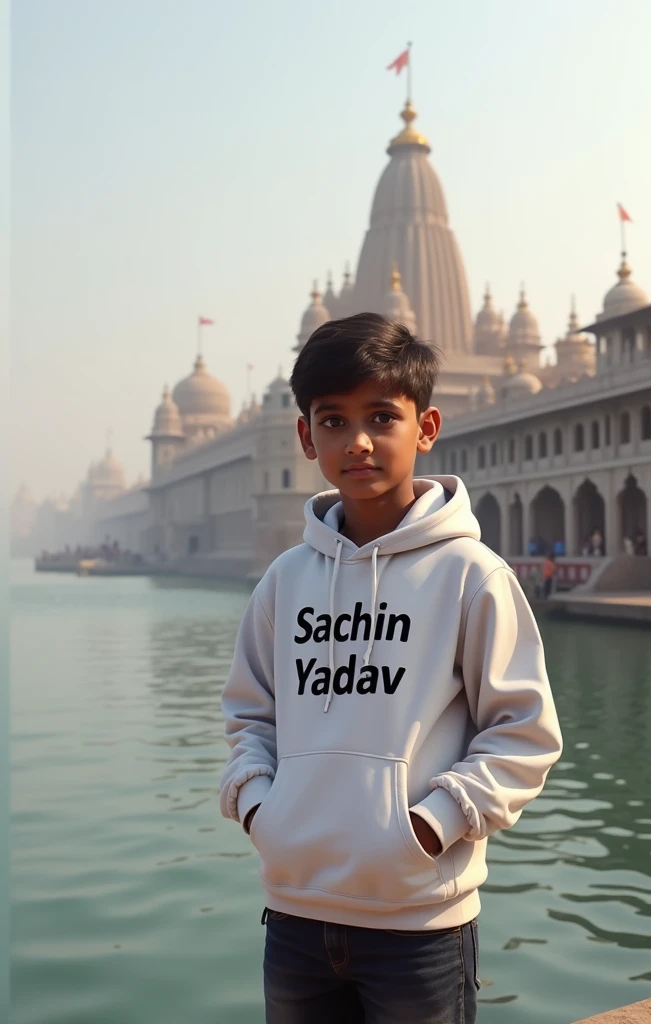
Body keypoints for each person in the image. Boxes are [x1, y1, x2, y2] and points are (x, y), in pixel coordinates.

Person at [219, 313, 563, 1024]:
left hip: (420, 927)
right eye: (335, 422)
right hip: (294, 916)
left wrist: (430, 827)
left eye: (382, 416)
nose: (360, 441)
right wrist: (262, 811)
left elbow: (524, 735)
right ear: (306, 437)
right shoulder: (285, 580)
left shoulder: (472, 576)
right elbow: (248, 715)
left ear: (427, 426)